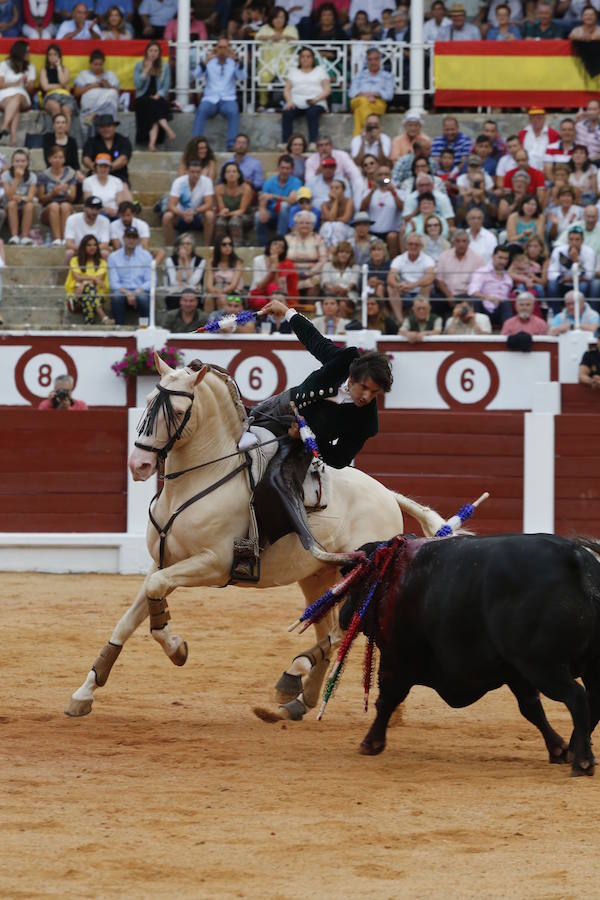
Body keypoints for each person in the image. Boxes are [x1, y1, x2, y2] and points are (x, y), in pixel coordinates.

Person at [247, 296, 394, 550]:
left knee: (279, 486)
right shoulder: (343, 360)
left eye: (375, 393)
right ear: (353, 375)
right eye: (364, 388)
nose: (367, 397)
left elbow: (339, 457)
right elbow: (315, 341)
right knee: (236, 434)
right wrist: (288, 312)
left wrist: (307, 438)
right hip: (282, 407)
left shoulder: (367, 422)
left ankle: (259, 544)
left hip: (301, 446)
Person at [192, 38, 246, 151]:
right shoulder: (209, 62)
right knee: (201, 110)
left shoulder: (233, 63)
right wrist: (206, 60)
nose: (222, 50)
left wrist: (236, 59)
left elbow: (243, 77)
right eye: (220, 47)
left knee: (233, 111)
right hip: (210, 99)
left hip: (228, 98)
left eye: (225, 47)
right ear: (216, 48)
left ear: (229, 49)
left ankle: (231, 145)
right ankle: (195, 144)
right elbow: (196, 75)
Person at [281, 46, 331, 152]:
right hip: (297, 102)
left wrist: (316, 99)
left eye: (308, 56)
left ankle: (313, 142)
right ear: (299, 59)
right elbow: (286, 90)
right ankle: (286, 142)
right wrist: (289, 101)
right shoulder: (293, 71)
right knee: (287, 113)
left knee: (312, 112)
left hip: (317, 101)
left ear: (313, 59)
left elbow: (327, 89)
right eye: (303, 56)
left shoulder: (319, 70)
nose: (305, 59)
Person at [162, 158, 215, 246]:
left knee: (210, 215)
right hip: (180, 215)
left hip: (198, 215)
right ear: (187, 171)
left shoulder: (206, 181)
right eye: (192, 172)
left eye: (198, 172)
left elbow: (209, 204)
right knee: (167, 216)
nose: (195, 175)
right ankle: (169, 246)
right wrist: (183, 214)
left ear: (201, 171)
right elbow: (171, 205)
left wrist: (194, 212)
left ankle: (207, 246)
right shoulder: (179, 182)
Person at [134, 41, 174, 151]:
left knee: (155, 105)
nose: (153, 53)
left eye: (156, 51)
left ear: (159, 53)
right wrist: (146, 70)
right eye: (150, 50)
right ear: (146, 52)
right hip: (142, 97)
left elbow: (166, 86)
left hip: (158, 97)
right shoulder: (139, 65)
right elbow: (137, 85)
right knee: (150, 104)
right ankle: (166, 127)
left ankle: (151, 144)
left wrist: (159, 94)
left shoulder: (165, 66)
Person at [107, 226, 152, 325]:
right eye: (129, 237)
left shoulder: (146, 256)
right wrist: (128, 293)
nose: (131, 240)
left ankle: (145, 327)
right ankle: (119, 327)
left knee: (143, 298)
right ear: (123, 238)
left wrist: (135, 293)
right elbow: (113, 283)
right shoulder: (113, 257)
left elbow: (150, 281)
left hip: (140, 290)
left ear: (138, 240)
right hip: (122, 291)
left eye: (134, 237)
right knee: (116, 296)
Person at [255, 6, 298, 110]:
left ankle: (289, 102)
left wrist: (283, 37)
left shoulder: (291, 28)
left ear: (285, 19)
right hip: (267, 63)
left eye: (281, 17)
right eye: (276, 17)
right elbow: (258, 38)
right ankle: (262, 103)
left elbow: (295, 40)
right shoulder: (265, 28)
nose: (279, 20)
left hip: (286, 64)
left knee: (290, 78)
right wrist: (270, 37)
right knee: (263, 76)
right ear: (271, 18)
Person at [65, 233, 112, 324]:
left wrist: (84, 283)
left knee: (88, 292)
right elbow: (77, 277)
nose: (92, 247)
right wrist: (90, 280)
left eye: (95, 245)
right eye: (89, 245)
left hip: (98, 296)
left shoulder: (102, 262)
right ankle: (104, 317)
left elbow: (99, 279)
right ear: (83, 247)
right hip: (76, 296)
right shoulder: (75, 260)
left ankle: (89, 322)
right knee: (89, 290)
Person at [255, 153, 302, 246]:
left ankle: (280, 241)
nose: (284, 171)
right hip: (272, 213)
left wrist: (274, 196)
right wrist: (262, 209)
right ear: (278, 168)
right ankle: (262, 246)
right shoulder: (269, 182)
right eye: (282, 168)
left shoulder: (296, 182)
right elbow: (263, 198)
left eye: (287, 168)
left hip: (289, 215)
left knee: (284, 206)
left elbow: (292, 200)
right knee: (257, 215)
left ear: (292, 169)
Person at [348, 47, 394, 137]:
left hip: (377, 102)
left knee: (359, 110)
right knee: (363, 101)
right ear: (367, 61)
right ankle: (370, 131)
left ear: (380, 60)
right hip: (359, 100)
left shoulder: (387, 76)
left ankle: (358, 136)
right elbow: (351, 93)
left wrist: (376, 94)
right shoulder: (360, 75)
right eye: (370, 59)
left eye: (376, 59)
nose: (373, 62)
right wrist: (367, 96)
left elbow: (389, 95)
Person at [387, 234, 436, 321]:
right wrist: (398, 285)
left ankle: (419, 319)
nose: (413, 246)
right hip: (404, 290)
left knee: (427, 285)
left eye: (416, 244)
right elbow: (390, 278)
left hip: (420, 290)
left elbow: (430, 277)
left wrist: (413, 285)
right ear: (406, 245)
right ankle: (400, 321)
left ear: (421, 246)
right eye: (410, 244)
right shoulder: (399, 259)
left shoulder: (427, 259)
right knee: (391, 287)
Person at [360, 162, 403, 258]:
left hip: (391, 232)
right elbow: (362, 209)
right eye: (380, 175)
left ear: (391, 177)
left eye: (386, 175)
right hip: (372, 231)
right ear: (375, 177)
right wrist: (372, 191)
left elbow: (401, 208)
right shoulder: (368, 192)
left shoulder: (399, 192)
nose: (383, 177)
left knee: (392, 237)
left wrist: (393, 192)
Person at [37, 144, 77, 244]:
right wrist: (53, 193)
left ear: (64, 159)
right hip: (48, 209)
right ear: (49, 159)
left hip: (66, 207)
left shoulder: (71, 174)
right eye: (55, 157)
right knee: (54, 206)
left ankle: (65, 239)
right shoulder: (43, 175)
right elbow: (41, 199)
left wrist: (67, 191)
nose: (58, 160)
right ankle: (57, 239)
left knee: (65, 206)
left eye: (60, 157)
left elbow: (72, 198)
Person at [285, 209, 327, 302]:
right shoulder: (287, 239)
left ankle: (309, 311)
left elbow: (323, 259)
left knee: (316, 281)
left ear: (312, 225)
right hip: (291, 272)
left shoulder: (318, 239)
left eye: (308, 223)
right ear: (296, 225)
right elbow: (283, 258)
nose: (304, 225)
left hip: (313, 273)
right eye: (301, 223)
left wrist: (310, 273)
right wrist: (294, 272)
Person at [468, 244, 513, 329]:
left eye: (505, 259)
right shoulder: (482, 272)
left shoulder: (508, 278)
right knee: (475, 300)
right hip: (483, 309)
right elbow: (472, 292)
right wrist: (488, 297)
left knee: (506, 302)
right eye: (500, 258)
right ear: (493, 256)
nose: (503, 262)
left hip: (500, 310)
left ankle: (508, 331)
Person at [435, 230, 484, 307]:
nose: (461, 244)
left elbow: (480, 282)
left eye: (464, 241)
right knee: (434, 299)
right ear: (453, 243)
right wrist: (449, 296)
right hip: (447, 294)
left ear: (468, 243)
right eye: (458, 241)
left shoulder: (478, 259)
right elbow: (439, 280)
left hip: (467, 296)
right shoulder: (444, 256)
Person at [547, 225, 596, 302]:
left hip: (580, 284)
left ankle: (580, 311)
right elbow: (551, 273)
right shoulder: (558, 251)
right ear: (568, 240)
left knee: (584, 286)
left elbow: (589, 276)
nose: (574, 242)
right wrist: (562, 278)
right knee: (552, 285)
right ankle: (555, 312)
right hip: (563, 283)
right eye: (571, 239)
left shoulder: (589, 252)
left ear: (582, 241)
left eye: (577, 240)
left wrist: (576, 261)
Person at [0, 40, 35, 147]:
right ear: (20, 52)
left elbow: (30, 90)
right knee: (15, 106)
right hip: (4, 96)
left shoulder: (30, 67)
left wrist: (26, 83)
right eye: (27, 52)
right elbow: (0, 85)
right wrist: (16, 83)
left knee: (18, 96)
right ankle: (13, 139)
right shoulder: (4, 65)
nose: (29, 54)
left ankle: (4, 126)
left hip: (23, 96)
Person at [249, 236, 299, 310]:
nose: (277, 247)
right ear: (269, 245)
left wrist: (275, 263)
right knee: (261, 301)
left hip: (277, 294)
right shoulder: (258, 260)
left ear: (283, 250)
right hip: (258, 292)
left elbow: (279, 287)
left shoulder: (287, 263)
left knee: (272, 287)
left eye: (281, 246)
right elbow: (259, 286)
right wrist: (273, 266)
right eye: (275, 244)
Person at [82, 113, 132, 187]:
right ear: (99, 128)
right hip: (96, 175)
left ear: (114, 127)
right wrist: (94, 167)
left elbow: (123, 159)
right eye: (102, 127)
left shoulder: (123, 141)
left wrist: (108, 168)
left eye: (108, 126)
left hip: (118, 175)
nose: (106, 129)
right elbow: (86, 159)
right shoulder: (91, 141)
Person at [74, 49, 120, 128]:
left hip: (106, 108)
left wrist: (108, 86)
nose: (98, 67)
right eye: (95, 64)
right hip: (89, 104)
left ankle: (93, 114)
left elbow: (117, 93)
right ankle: (94, 113)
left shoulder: (111, 75)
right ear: (90, 64)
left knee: (112, 93)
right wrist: (92, 86)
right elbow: (76, 93)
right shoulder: (83, 74)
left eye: (100, 64)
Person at [2, 148, 36, 244]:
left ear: (27, 163)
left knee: (30, 205)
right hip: (9, 207)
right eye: (17, 161)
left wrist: (21, 198)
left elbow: (30, 197)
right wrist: (17, 179)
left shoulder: (32, 176)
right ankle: (14, 236)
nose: (20, 164)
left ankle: (25, 236)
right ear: (12, 163)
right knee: (12, 203)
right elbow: (9, 197)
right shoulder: (6, 175)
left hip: (23, 205)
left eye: (23, 161)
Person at [163, 232, 206, 307]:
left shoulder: (201, 261)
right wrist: (180, 263)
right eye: (182, 244)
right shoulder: (170, 260)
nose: (185, 246)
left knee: (193, 299)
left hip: (194, 292)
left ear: (193, 246)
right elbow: (174, 282)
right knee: (173, 298)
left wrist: (186, 261)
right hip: (176, 291)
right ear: (178, 246)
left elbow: (193, 282)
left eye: (188, 244)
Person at [204, 234, 244, 312]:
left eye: (230, 244)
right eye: (224, 244)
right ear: (218, 246)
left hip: (234, 293)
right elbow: (209, 285)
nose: (228, 247)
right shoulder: (212, 261)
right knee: (209, 298)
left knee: (222, 299)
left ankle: (223, 323)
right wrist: (216, 292)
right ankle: (209, 323)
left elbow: (233, 285)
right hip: (217, 289)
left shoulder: (238, 262)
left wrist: (220, 293)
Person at [214, 161, 253, 243]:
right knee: (220, 222)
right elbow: (222, 209)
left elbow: (242, 210)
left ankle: (237, 248)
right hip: (227, 215)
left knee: (234, 221)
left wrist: (228, 214)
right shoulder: (219, 189)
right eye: (228, 172)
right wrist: (224, 213)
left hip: (245, 216)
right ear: (224, 175)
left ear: (239, 174)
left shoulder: (246, 188)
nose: (231, 174)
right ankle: (219, 247)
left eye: (234, 171)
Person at [40, 44, 76, 131]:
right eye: (50, 54)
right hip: (51, 96)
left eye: (55, 54)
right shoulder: (44, 70)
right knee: (56, 107)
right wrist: (61, 86)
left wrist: (59, 67)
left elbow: (63, 80)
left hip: (65, 96)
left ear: (59, 56)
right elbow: (45, 87)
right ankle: (57, 135)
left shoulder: (65, 69)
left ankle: (65, 135)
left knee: (66, 110)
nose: (52, 57)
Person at [64, 195, 110, 262]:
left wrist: (90, 250)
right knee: (69, 253)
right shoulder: (72, 219)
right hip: (78, 251)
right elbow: (68, 244)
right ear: (85, 208)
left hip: (96, 252)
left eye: (97, 209)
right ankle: (67, 272)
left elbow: (105, 244)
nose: (94, 212)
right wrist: (85, 250)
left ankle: (105, 272)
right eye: (92, 208)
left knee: (105, 253)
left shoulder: (105, 221)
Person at [83, 153, 127, 220]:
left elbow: (120, 203)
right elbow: (88, 202)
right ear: (96, 167)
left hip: (114, 213)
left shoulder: (117, 181)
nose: (103, 169)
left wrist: (115, 211)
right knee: (102, 216)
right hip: (96, 212)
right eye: (100, 166)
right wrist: (104, 210)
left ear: (109, 168)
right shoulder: (88, 181)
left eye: (106, 166)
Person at [518, 107, 559, 173]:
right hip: (525, 173)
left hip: (545, 174)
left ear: (544, 118)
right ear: (529, 119)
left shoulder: (553, 134)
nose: (535, 120)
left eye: (539, 117)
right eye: (533, 117)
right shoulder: (522, 134)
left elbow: (555, 155)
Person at [575, 99, 600, 164]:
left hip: (596, 161)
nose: (591, 112)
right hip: (579, 160)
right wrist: (576, 119)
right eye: (589, 109)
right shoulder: (579, 125)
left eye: (594, 109)